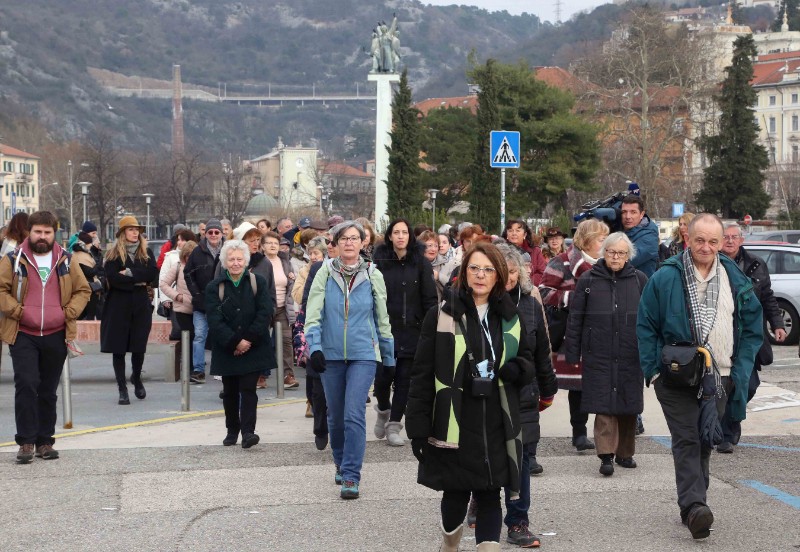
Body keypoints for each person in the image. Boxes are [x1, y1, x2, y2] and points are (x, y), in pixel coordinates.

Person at [637, 213, 762, 540]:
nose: (706, 247)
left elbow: (751, 328)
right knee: (688, 438)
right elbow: (645, 324)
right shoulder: (665, 277)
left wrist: (740, 369)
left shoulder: (736, 278)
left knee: (706, 439)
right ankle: (695, 506)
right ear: (688, 239)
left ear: (721, 243)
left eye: (713, 241)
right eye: (699, 240)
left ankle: (692, 506)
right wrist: (652, 371)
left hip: (720, 377)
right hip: (674, 377)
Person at [406, 241, 536, 552]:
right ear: (465, 273)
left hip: (496, 418)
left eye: (488, 270)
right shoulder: (441, 315)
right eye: (474, 268)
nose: (480, 275)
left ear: (499, 276)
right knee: (455, 494)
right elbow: (422, 374)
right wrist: (418, 429)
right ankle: (450, 544)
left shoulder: (510, 317)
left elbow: (530, 358)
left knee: (490, 493)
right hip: (453, 419)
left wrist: (519, 368)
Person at [304, 220, 394, 499]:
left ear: (363, 243)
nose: (349, 243)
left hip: (364, 353)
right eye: (344, 238)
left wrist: (388, 358)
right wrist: (314, 347)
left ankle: (352, 475)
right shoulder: (324, 272)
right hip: (329, 354)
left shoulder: (373, 274)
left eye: (354, 238)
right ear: (335, 242)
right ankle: (341, 462)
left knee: (354, 412)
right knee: (336, 415)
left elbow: (382, 318)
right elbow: (313, 312)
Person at [0, 211, 90, 464]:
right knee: (26, 385)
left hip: (56, 333)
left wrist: (68, 313)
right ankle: (26, 442)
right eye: (38, 231)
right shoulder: (13, 259)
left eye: (47, 232)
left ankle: (45, 441)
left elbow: (83, 290)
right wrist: (17, 311)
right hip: (23, 333)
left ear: (54, 234)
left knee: (48, 390)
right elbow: (1, 288)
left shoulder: (66, 260)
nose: (42, 237)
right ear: (29, 232)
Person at [565, 232, 647, 476]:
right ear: (604, 253)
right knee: (604, 406)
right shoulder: (588, 280)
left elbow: (650, 320)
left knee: (629, 404)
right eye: (611, 251)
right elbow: (575, 318)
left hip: (630, 352)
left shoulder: (639, 280)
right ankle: (605, 455)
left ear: (628, 256)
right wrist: (573, 352)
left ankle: (625, 452)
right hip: (598, 352)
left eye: (621, 253)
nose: (615, 257)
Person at [495, 242, 557, 547]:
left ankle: (518, 521)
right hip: (490, 394)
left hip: (524, 392)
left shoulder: (531, 304)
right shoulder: (479, 304)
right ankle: (480, 502)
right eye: (501, 271)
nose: (507, 277)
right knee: (490, 458)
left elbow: (542, 350)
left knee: (520, 460)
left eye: (512, 271)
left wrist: (548, 389)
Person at [539, 218, 609, 452]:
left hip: (602, 332)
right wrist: (572, 299)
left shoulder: (609, 262)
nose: (605, 243)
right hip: (574, 333)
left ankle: (605, 437)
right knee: (578, 386)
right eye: (601, 239)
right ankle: (579, 432)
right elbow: (544, 291)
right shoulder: (563, 262)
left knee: (599, 383)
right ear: (587, 239)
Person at [718, 222, 786, 452]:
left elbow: (767, 297)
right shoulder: (713, 264)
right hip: (722, 335)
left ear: (741, 239)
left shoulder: (756, 264)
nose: (729, 240)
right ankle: (724, 433)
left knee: (749, 385)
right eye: (725, 237)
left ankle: (731, 423)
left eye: (733, 237)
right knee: (722, 385)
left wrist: (777, 324)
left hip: (749, 335)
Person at [372, 219, 438, 447]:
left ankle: (394, 424)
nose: (400, 236)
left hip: (412, 330)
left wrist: (428, 329)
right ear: (389, 236)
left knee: (404, 380)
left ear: (410, 236)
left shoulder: (420, 262)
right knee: (382, 378)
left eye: (404, 232)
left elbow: (430, 299)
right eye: (396, 232)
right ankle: (382, 408)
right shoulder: (379, 261)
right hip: (385, 331)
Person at [205, 240, 274, 448]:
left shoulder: (258, 282)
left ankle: (248, 432)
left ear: (246, 260)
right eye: (231, 259)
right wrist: (235, 342)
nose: (235, 263)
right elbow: (214, 320)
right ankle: (232, 430)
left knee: (248, 388)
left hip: (254, 347)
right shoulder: (214, 287)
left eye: (239, 259)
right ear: (225, 262)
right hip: (227, 349)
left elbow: (264, 313)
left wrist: (247, 340)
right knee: (230, 391)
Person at [100, 216, 159, 405]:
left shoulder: (146, 252)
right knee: (118, 349)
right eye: (131, 229)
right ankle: (122, 388)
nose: (135, 233)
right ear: (123, 232)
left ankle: (137, 378)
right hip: (118, 306)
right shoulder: (113, 254)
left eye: (137, 230)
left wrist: (131, 274)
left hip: (140, 305)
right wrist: (138, 281)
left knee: (138, 347)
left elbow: (153, 275)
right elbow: (113, 279)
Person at [184, 218, 225, 384]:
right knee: (200, 335)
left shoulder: (228, 250)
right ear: (205, 234)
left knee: (220, 335)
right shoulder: (197, 251)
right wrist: (196, 294)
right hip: (201, 302)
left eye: (217, 232)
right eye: (210, 232)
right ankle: (198, 370)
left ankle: (220, 368)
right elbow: (188, 273)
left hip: (223, 301)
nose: (214, 235)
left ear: (222, 234)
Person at [238, 227, 276, 389]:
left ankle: (260, 376)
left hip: (259, 316)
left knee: (257, 348)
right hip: (237, 317)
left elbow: (271, 291)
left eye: (257, 240)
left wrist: (269, 313)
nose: (255, 244)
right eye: (251, 240)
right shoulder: (232, 260)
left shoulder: (264, 262)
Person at [263, 231, 297, 389]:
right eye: (269, 243)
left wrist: (292, 279)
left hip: (283, 307)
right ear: (263, 246)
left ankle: (288, 375)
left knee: (286, 341)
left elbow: (290, 284)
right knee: (261, 341)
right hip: (263, 307)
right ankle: (260, 375)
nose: (272, 246)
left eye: (275, 243)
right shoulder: (259, 262)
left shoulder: (285, 261)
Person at [160, 241, 198, 373]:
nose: (190, 258)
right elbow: (164, 284)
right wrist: (177, 296)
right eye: (188, 255)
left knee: (197, 337)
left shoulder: (201, 267)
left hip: (198, 308)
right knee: (188, 336)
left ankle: (195, 366)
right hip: (182, 308)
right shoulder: (177, 266)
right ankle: (189, 366)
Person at [620, 195, 659, 277]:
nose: (628, 217)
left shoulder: (650, 236)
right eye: (624, 212)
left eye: (633, 212)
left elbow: (626, 260)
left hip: (640, 287)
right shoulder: (621, 229)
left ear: (642, 214)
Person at [501, 219, 547, 286]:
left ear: (525, 234)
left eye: (518, 231)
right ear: (507, 234)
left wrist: (523, 281)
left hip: (529, 288)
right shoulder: (499, 251)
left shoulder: (535, 251)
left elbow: (542, 273)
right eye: (510, 230)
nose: (514, 233)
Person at [71, 231, 104, 320]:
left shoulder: (85, 254)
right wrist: (99, 262)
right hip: (86, 289)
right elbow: (90, 272)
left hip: (92, 289)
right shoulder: (81, 256)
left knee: (89, 314)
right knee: (86, 315)